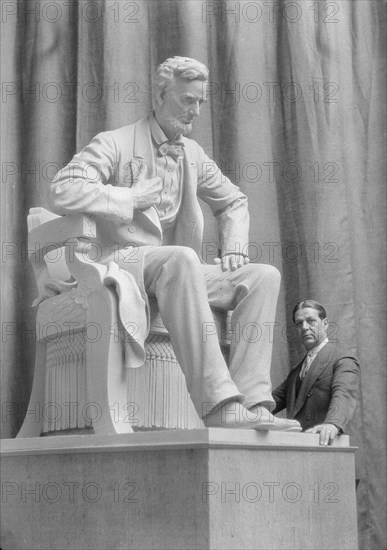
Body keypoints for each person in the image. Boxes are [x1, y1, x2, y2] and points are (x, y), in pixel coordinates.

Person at [47, 56, 300, 432]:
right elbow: (62, 189)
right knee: (181, 259)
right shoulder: (114, 142)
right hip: (122, 261)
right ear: (162, 94)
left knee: (263, 275)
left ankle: (254, 402)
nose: (196, 111)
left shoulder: (193, 154)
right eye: (188, 100)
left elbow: (234, 201)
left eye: (200, 102)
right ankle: (219, 406)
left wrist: (233, 246)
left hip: (174, 266)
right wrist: (128, 197)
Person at [272, 300, 360, 444]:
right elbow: (272, 402)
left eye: (310, 321)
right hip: (296, 445)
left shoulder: (342, 359)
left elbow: (344, 394)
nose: (304, 327)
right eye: (299, 324)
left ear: (325, 324)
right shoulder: (295, 372)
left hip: (325, 443)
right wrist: (246, 412)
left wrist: (332, 424)